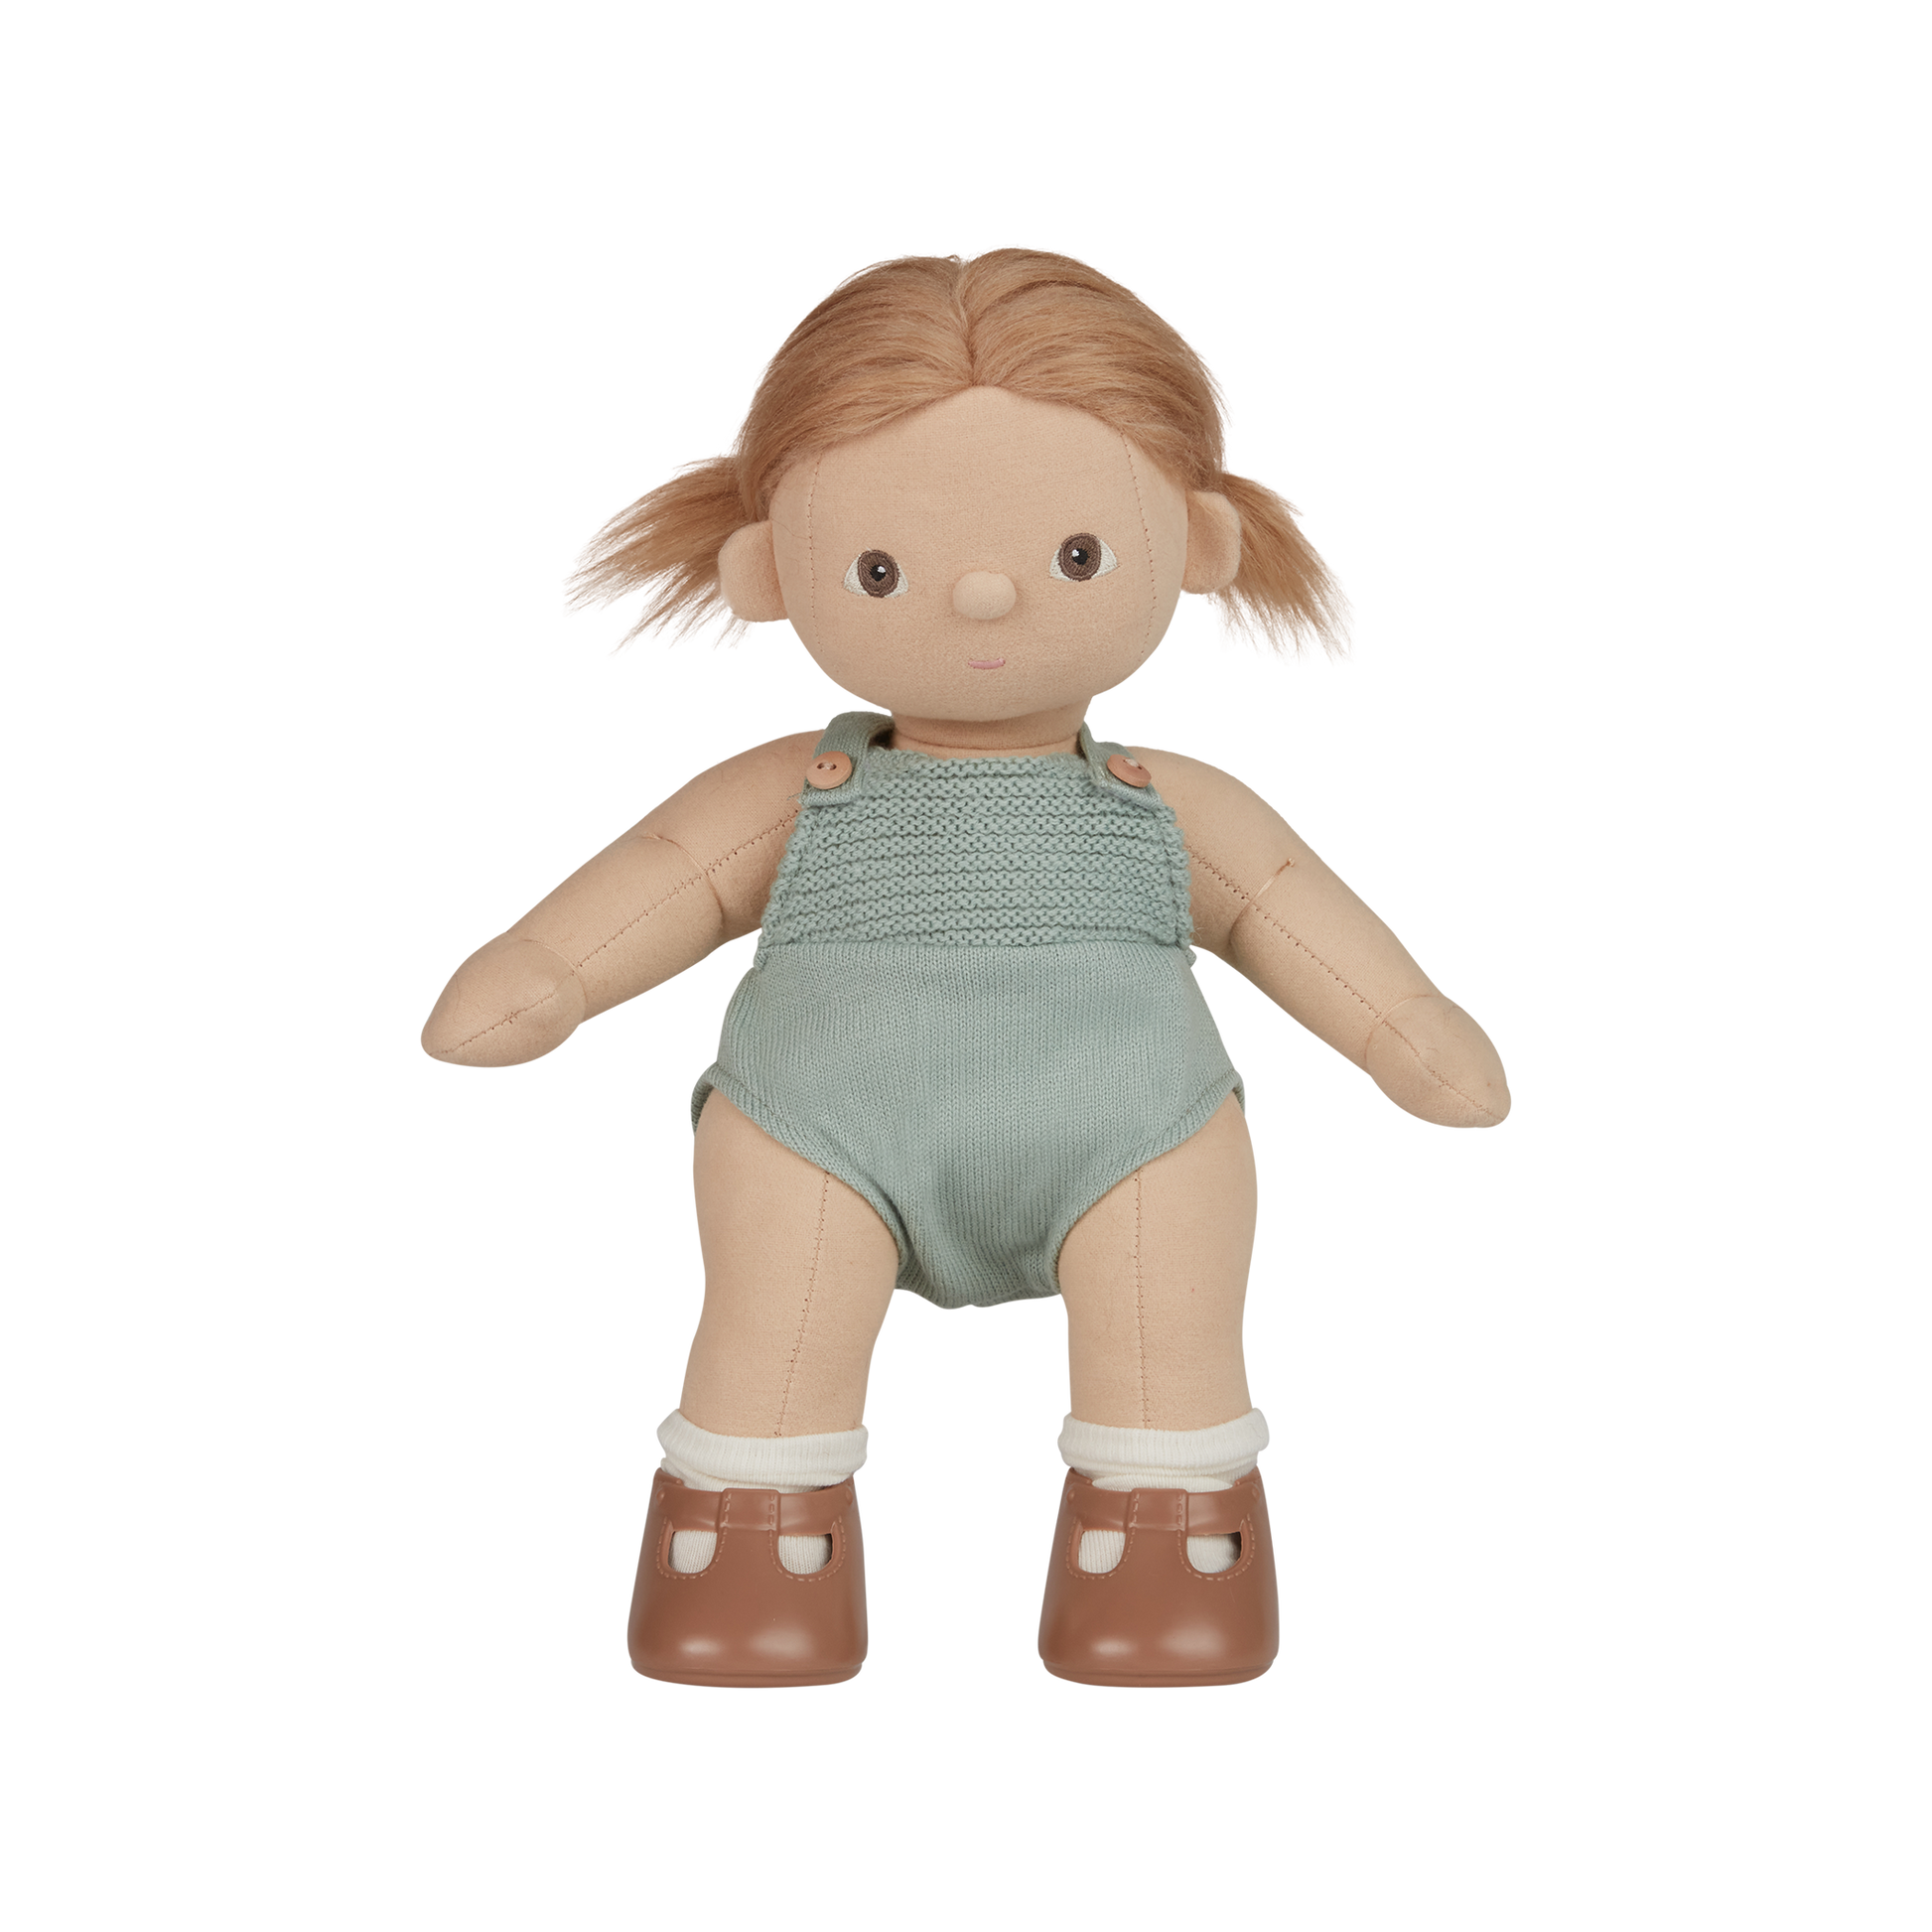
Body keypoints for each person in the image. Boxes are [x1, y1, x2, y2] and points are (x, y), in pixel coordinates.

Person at [418, 243, 1514, 1690]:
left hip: (1134, 1129)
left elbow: (1287, 911)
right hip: (820, 1125)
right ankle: (747, 1561)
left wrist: (1403, 1025)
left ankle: (1164, 1560)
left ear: (1195, 547)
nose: (986, 598)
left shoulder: (1168, 801)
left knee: (1171, 1317)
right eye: (879, 570)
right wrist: (544, 971)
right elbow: (662, 881)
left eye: (1076, 557)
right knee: (772, 1317)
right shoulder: (788, 787)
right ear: (771, 573)